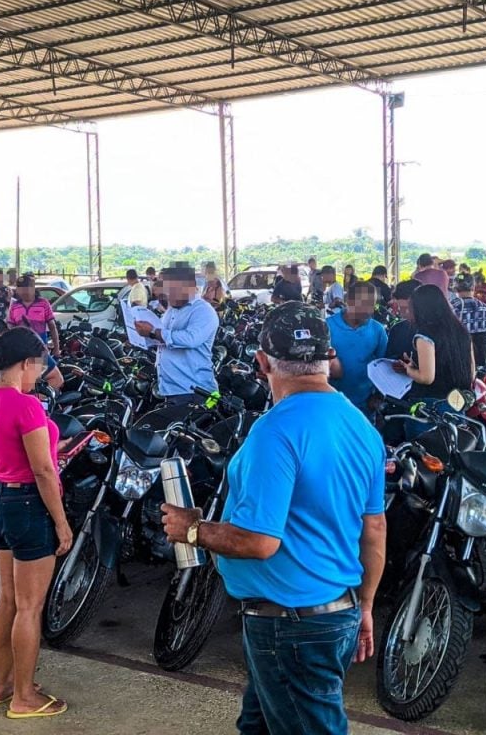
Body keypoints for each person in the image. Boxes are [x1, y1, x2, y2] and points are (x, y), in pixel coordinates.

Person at [161, 303, 386, 735]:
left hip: (291, 625)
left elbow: (259, 541)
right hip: (335, 610)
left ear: (262, 362)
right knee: (258, 724)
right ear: (329, 358)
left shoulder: (275, 431)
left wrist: (191, 529)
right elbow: (374, 528)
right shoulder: (361, 427)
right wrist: (367, 605)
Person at [0, 328, 73, 720]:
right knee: (30, 607)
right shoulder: (27, 405)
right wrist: (62, 523)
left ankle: (4, 685)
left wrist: (52, 450)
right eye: (40, 363)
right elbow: (43, 472)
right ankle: (24, 698)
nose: (42, 371)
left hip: (1, 498)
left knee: (8, 600)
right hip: (30, 504)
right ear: (24, 363)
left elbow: (18, 452)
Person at [394, 285, 475, 435]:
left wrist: (408, 369)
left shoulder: (425, 334)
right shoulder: (461, 331)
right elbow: (471, 373)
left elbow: (426, 377)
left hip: (429, 407)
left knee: (426, 455)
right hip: (457, 402)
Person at [135, 265, 218, 405]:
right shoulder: (172, 310)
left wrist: (153, 332)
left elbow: (191, 339)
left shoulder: (203, 311)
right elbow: (164, 339)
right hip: (171, 389)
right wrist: (143, 334)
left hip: (193, 391)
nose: (165, 293)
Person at [328, 282, 387, 415]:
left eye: (372, 305)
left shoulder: (377, 330)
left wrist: (377, 396)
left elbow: (384, 366)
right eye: (364, 304)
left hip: (365, 407)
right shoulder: (327, 327)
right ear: (348, 301)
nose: (369, 310)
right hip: (333, 404)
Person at [8, 275, 60, 357]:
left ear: (33, 288)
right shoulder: (14, 306)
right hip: (20, 349)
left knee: (40, 369)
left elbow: (52, 327)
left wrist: (56, 348)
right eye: (21, 289)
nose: (24, 292)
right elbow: (10, 327)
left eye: (27, 289)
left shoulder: (43, 303)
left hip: (39, 348)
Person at [451, 274, 486, 367]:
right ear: (473, 287)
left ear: (455, 289)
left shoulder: (451, 308)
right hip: (480, 360)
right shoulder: (485, 308)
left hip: (458, 361)